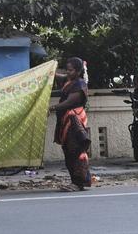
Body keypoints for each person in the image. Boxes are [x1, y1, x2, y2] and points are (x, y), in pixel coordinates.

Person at [50, 57, 92, 192]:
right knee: (68, 151)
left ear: (79, 71)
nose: (68, 72)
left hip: (74, 121)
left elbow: (69, 102)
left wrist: (52, 108)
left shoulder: (79, 85)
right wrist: (49, 69)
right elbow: (57, 76)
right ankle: (75, 181)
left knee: (76, 151)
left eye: (71, 70)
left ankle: (79, 182)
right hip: (67, 121)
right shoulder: (69, 81)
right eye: (67, 70)